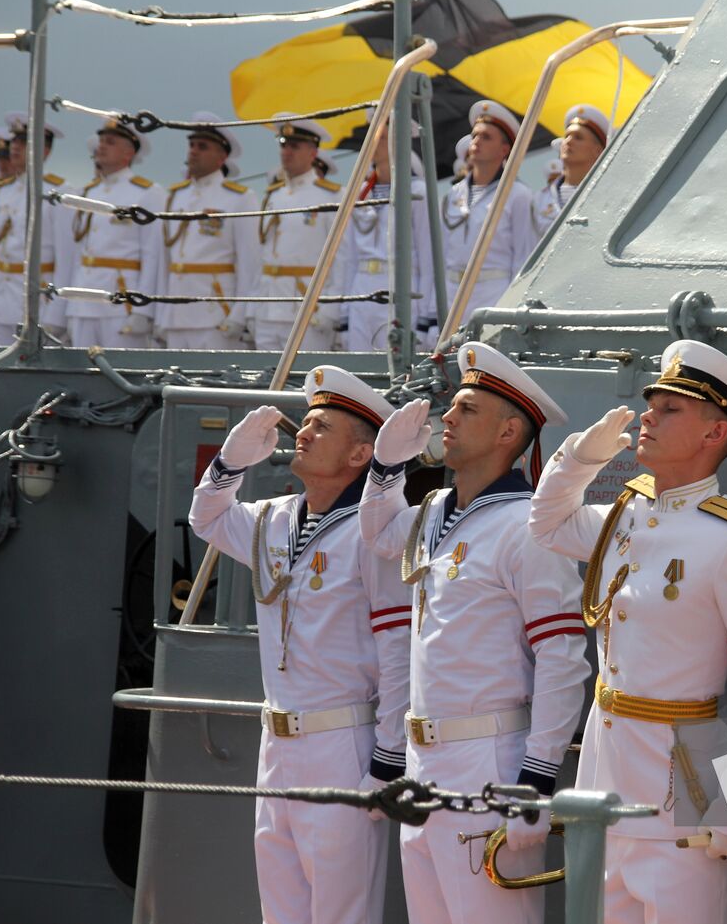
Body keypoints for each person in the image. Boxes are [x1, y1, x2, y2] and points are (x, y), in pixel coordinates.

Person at [528, 339, 727, 924]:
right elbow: (547, 525)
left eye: (670, 408)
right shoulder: (627, 515)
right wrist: (579, 459)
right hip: (604, 778)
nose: (648, 414)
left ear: (714, 434)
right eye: (651, 403)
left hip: (684, 791)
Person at [357, 342, 590, 924]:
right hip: (424, 760)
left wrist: (534, 780)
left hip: (490, 761)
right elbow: (380, 534)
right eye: (450, 408)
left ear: (510, 432)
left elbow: (563, 657)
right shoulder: (436, 510)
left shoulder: (527, 526)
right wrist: (387, 469)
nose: (448, 419)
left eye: (466, 410)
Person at [189, 365, 412, 924]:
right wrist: (229, 464)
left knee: (340, 909)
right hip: (278, 740)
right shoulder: (275, 519)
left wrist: (388, 757)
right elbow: (206, 518)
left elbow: (397, 648)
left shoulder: (374, 532)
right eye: (304, 423)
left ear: (361, 455)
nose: (303, 434)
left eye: (321, 427)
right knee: (280, 905)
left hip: (344, 741)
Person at [155, 112, 258, 350]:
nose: (193, 151)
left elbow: (249, 263)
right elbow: (165, 262)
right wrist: (161, 313)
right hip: (176, 312)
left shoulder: (239, 199)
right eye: (191, 145)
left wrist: (238, 314)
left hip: (214, 314)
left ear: (222, 156)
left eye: (202, 146)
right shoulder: (175, 196)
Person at [437, 101, 536, 342]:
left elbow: (523, 259)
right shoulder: (453, 195)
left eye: (486, 137)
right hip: (451, 296)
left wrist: (511, 310)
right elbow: (439, 257)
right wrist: (430, 316)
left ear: (504, 150)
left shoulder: (518, 195)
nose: (476, 142)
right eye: (475, 135)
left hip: (493, 295)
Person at [251, 114, 348, 352]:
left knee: (305, 382)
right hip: (268, 306)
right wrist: (250, 308)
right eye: (283, 146)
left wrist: (330, 309)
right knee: (263, 384)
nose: (286, 152)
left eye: (294, 147)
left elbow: (342, 258)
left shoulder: (332, 195)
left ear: (313, 153)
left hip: (308, 308)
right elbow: (260, 256)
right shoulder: (274, 195)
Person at [65, 117, 163, 349]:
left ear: (128, 153)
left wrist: (143, 310)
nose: (101, 147)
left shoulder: (146, 193)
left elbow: (152, 256)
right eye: (101, 141)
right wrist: (69, 305)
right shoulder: (87, 193)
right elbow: (76, 254)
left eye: (110, 142)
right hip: (83, 301)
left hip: (121, 303)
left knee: (120, 375)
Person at [0, 113, 71, 345]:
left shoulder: (57, 193)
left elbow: (66, 258)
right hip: (0, 303)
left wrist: (57, 313)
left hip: (38, 303)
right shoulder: (2, 191)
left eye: (24, 142)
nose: (15, 148)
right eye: (14, 141)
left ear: (45, 150)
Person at [343, 113, 433, 353]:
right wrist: (344, 314)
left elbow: (428, 259)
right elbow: (349, 258)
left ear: (398, 141)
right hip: (361, 292)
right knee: (359, 372)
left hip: (399, 289)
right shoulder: (359, 192)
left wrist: (426, 319)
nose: (372, 143)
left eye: (380, 137)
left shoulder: (417, 192)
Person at [531, 105, 609, 234]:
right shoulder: (539, 200)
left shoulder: (606, 196)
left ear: (598, 151)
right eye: (567, 136)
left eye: (578, 137)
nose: (568, 141)